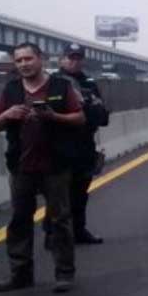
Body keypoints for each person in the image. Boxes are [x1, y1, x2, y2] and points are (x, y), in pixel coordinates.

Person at [0, 42, 85, 293]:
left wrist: (53, 116)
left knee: (60, 220)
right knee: (19, 220)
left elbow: (79, 117)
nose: (24, 64)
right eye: (19, 60)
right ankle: (20, 274)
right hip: (21, 165)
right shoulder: (10, 90)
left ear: (40, 59)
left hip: (55, 165)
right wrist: (6, 115)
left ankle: (64, 273)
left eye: (28, 59)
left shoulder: (61, 86)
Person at [52, 43, 110, 245]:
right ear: (61, 59)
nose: (74, 61)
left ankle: (79, 230)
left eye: (78, 58)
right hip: (59, 146)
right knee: (59, 195)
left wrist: (85, 109)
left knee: (80, 193)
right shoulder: (52, 82)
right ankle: (54, 235)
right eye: (70, 57)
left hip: (84, 144)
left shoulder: (89, 83)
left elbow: (102, 116)